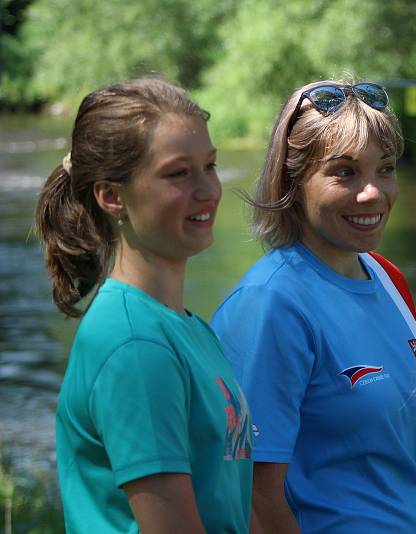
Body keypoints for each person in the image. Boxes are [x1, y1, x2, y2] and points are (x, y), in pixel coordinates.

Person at [211, 80, 416, 533]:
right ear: (293, 181)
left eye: (385, 168)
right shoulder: (271, 303)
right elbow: (253, 500)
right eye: (345, 173)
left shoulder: (387, 278)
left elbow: (403, 458)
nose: (373, 193)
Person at [35, 77, 253, 533]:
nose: (208, 190)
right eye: (179, 173)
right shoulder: (134, 345)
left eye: (209, 166)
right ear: (112, 196)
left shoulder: (185, 326)